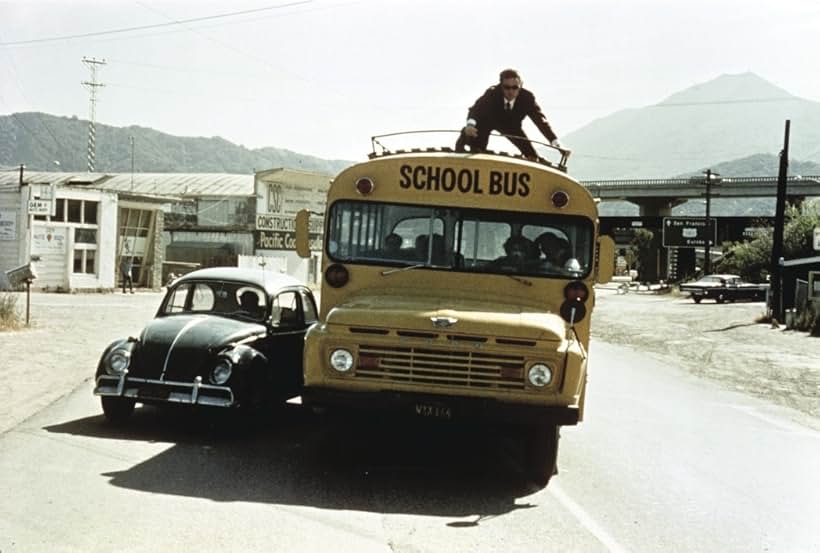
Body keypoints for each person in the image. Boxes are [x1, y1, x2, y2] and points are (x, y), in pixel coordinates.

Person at [455, 68, 562, 159]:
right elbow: (475, 110)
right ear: (501, 86)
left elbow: (541, 121)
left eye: (515, 87)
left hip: (511, 126)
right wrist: (470, 125)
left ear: (520, 86)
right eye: (507, 87)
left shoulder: (527, 98)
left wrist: (556, 143)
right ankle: (465, 139)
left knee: (532, 156)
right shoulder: (492, 93)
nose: (511, 91)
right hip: (487, 122)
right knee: (476, 147)